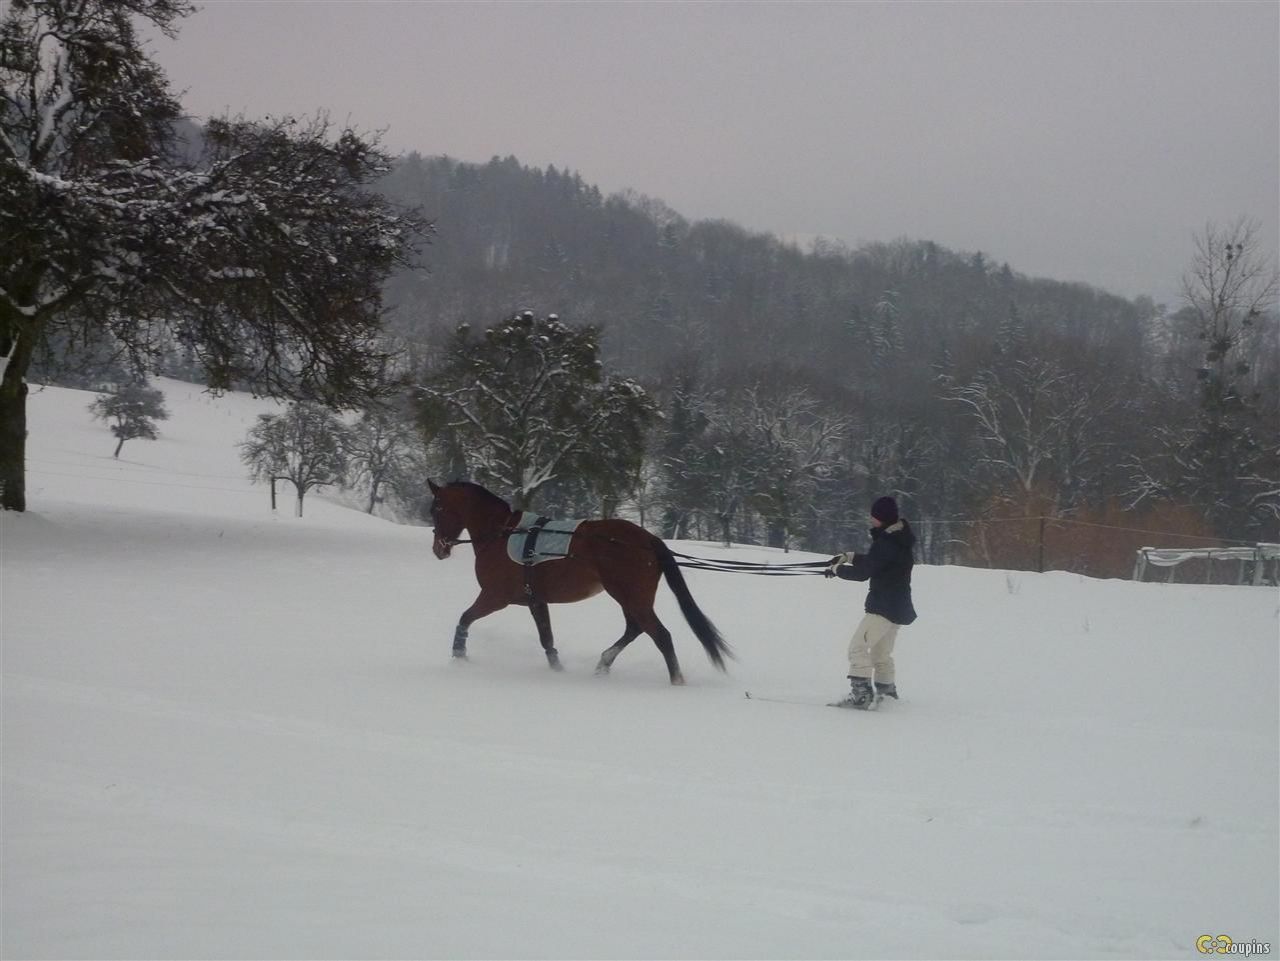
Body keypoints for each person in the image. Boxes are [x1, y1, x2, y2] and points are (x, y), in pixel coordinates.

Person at [825, 495, 917, 709]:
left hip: (882, 607)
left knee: (857, 649)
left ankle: (861, 696)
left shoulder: (887, 542)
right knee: (880, 654)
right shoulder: (898, 538)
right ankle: (886, 694)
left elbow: (864, 573)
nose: (871, 519)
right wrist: (849, 557)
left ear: (882, 518)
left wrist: (837, 570)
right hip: (897, 607)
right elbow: (876, 562)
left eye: (874, 516)